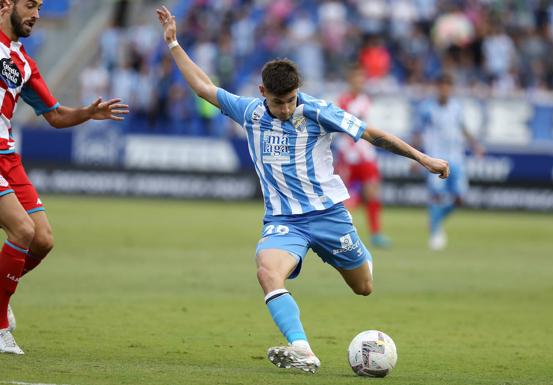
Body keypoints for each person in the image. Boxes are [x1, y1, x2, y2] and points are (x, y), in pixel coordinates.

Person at [156, 6, 448, 374]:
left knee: (364, 286)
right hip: (283, 221)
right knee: (267, 272)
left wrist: (424, 159)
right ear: (263, 92)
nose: (286, 108)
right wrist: (174, 43)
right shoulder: (250, 112)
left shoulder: (317, 111)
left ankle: (350, 251)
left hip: (328, 215)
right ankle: (303, 349)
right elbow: (202, 86)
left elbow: (372, 134)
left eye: (292, 99)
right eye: (278, 102)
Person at [0, 0, 129, 355]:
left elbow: (55, 115)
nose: (36, 14)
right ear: (6, 4)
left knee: (41, 239)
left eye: (41, 8)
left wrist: (88, 112)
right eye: (30, 5)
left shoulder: (23, 63)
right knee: (22, 231)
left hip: (8, 157)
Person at [413, 74, 484, 251]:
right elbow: (418, 133)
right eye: (441, 86)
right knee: (436, 196)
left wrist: (475, 146)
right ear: (437, 88)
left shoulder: (457, 108)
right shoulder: (427, 109)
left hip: (456, 159)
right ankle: (436, 233)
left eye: (447, 86)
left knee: (460, 198)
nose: (444, 89)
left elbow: (463, 128)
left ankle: (435, 220)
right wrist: (414, 157)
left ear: (451, 89)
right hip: (435, 159)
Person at [334, 65, 390, 248]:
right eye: (356, 78)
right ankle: (338, 234)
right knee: (341, 199)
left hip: (366, 155)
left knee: (372, 192)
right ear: (350, 80)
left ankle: (376, 233)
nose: (359, 82)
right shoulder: (342, 101)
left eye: (362, 78)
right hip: (348, 157)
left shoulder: (367, 101)